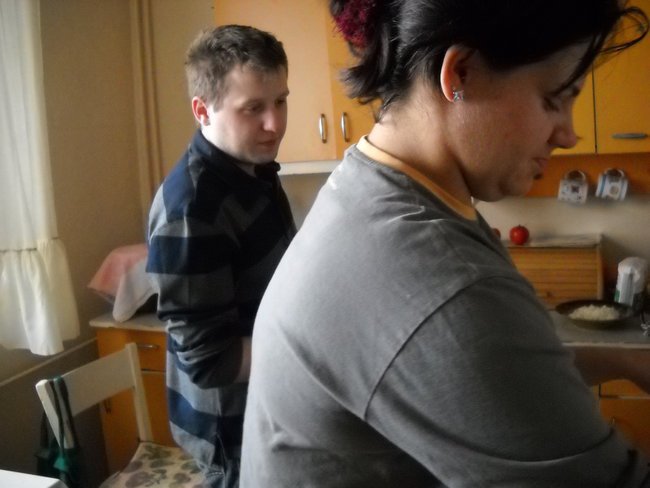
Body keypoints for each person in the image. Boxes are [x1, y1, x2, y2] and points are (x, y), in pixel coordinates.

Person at [240, 1, 650, 486]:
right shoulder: (440, 277)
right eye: (553, 99)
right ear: (461, 74)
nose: (568, 133)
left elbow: (485, 374)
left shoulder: (377, 188)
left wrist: (626, 361)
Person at [146, 25, 296, 488]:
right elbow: (210, 362)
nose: (274, 123)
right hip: (232, 433)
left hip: (265, 405)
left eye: (280, 101)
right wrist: (314, 343)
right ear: (202, 110)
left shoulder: (252, 169)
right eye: (253, 108)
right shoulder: (192, 211)